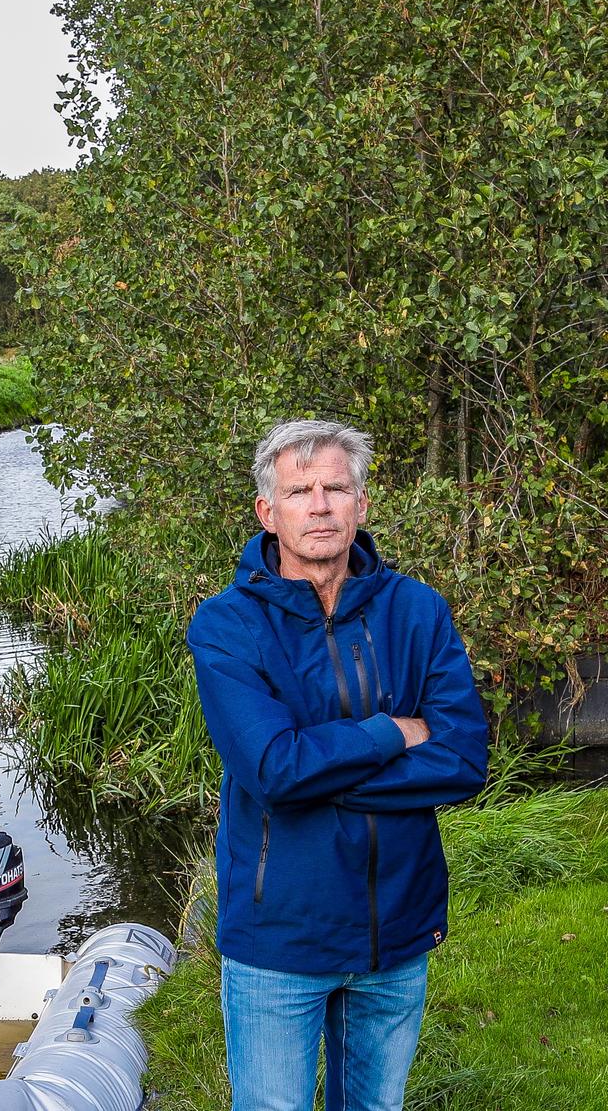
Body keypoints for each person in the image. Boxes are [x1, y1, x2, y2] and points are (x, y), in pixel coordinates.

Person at [186, 419, 489, 1111]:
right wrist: (391, 730)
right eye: (300, 490)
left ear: (361, 503)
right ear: (269, 511)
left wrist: (319, 775)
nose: (319, 504)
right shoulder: (227, 626)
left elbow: (464, 758)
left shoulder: (418, 611)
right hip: (280, 936)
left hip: (397, 930)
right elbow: (275, 769)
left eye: (335, 487)